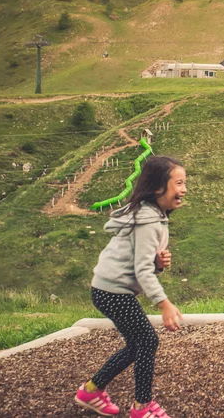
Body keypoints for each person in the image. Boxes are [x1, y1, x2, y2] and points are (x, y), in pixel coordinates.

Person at [74, 156, 187, 418]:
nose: (183, 189)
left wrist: (158, 264)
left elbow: (144, 263)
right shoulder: (148, 220)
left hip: (109, 289)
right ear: (159, 187)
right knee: (147, 341)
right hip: (113, 291)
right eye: (178, 183)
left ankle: (91, 391)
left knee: (139, 345)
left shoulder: (154, 216)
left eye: (185, 183)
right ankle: (142, 407)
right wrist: (164, 304)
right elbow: (141, 271)